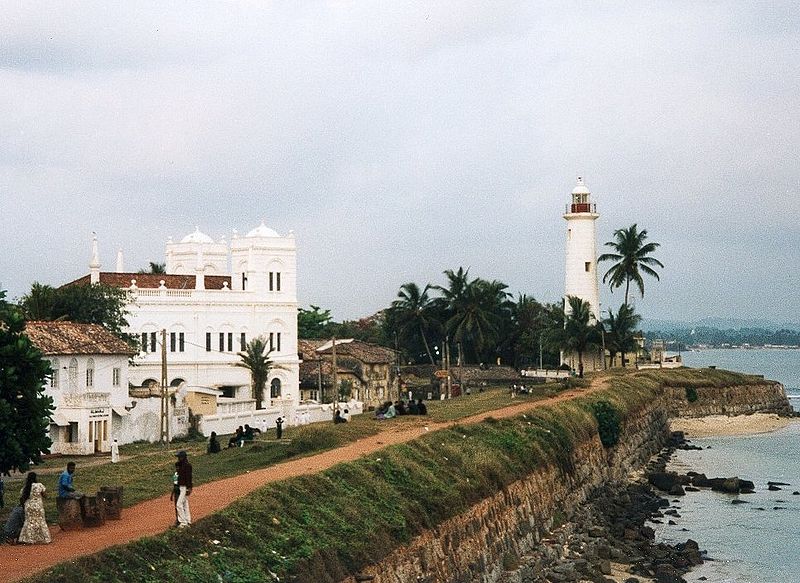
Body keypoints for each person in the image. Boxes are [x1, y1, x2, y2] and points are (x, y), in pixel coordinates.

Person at [18, 472, 51, 544]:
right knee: (40, 521)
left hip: (29, 506)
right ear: (35, 477)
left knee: (29, 521)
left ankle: (29, 539)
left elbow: (22, 498)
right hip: (38, 506)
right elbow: (45, 495)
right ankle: (44, 538)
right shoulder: (39, 485)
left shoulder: (25, 487)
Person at [174, 451, 192, 528]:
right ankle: (188, 520)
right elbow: (177, 476)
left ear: (183, 457)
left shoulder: (187, 466)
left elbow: (189, 478)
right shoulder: (180, 466)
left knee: (179, 504)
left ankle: (183, 522)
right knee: (185, 504)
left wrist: (189, 488)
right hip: (181, 486)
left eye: (180, 457)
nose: (178, 459)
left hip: (184, 487)